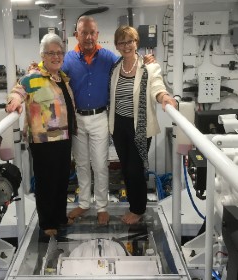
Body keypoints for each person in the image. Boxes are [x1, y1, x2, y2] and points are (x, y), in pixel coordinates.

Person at [62, 16, 155, 225]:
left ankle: (101, 206)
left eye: (92, 32)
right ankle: (84, 202)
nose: (88, 37)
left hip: (100, 117)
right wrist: (35, 69)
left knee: (100, 164)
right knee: (82, 164)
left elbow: (130, 64)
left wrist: (146, 60)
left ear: (97, 35)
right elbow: (53, 75)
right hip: (77, 119)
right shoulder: (67, 59)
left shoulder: (108, 58)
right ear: (76, 34)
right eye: (83, 32)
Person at [6, 33, 76, 236]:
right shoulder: (34, 77)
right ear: (43, 56)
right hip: (44, 140)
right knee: (47, 182)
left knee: (62, 180)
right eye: (51, 53)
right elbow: (19, 90)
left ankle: (60, 217)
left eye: (59, 53)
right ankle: (47, 224)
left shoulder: (61, 77)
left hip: (64, 137)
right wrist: (15, 101)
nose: (56, 56)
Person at [108, 25, 178, 224]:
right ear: (117, 46)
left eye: (130, 41)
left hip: (139, 127)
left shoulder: (149, 66)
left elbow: (157, 85)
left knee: (135, 169)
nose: (126, 45)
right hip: (119, 126)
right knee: (126, 168)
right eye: (122, 42)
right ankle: (133, 204)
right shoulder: (115, 67)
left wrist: (163, 96)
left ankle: (138, 209)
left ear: (137, 43)